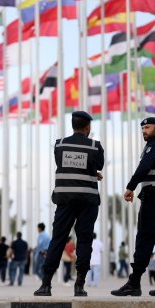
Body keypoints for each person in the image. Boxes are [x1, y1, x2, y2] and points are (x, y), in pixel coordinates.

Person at [34, 111, 104, 297]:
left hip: (64, 200)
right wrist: (92, 172)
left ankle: (46, 284)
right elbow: (99, 164)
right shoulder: (95, 146)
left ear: (73, 126)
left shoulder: (60, 144)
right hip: (87, 201)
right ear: (87, 127)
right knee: (84, 240)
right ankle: (80, 285)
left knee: (57, 239)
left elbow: (63, 164)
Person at [111, 117, 155, 297]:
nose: (143, 131)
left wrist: (130, 187)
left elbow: (144, 166)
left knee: (144, 238)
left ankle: (134, 283)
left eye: (147, 127)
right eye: (142, 128)